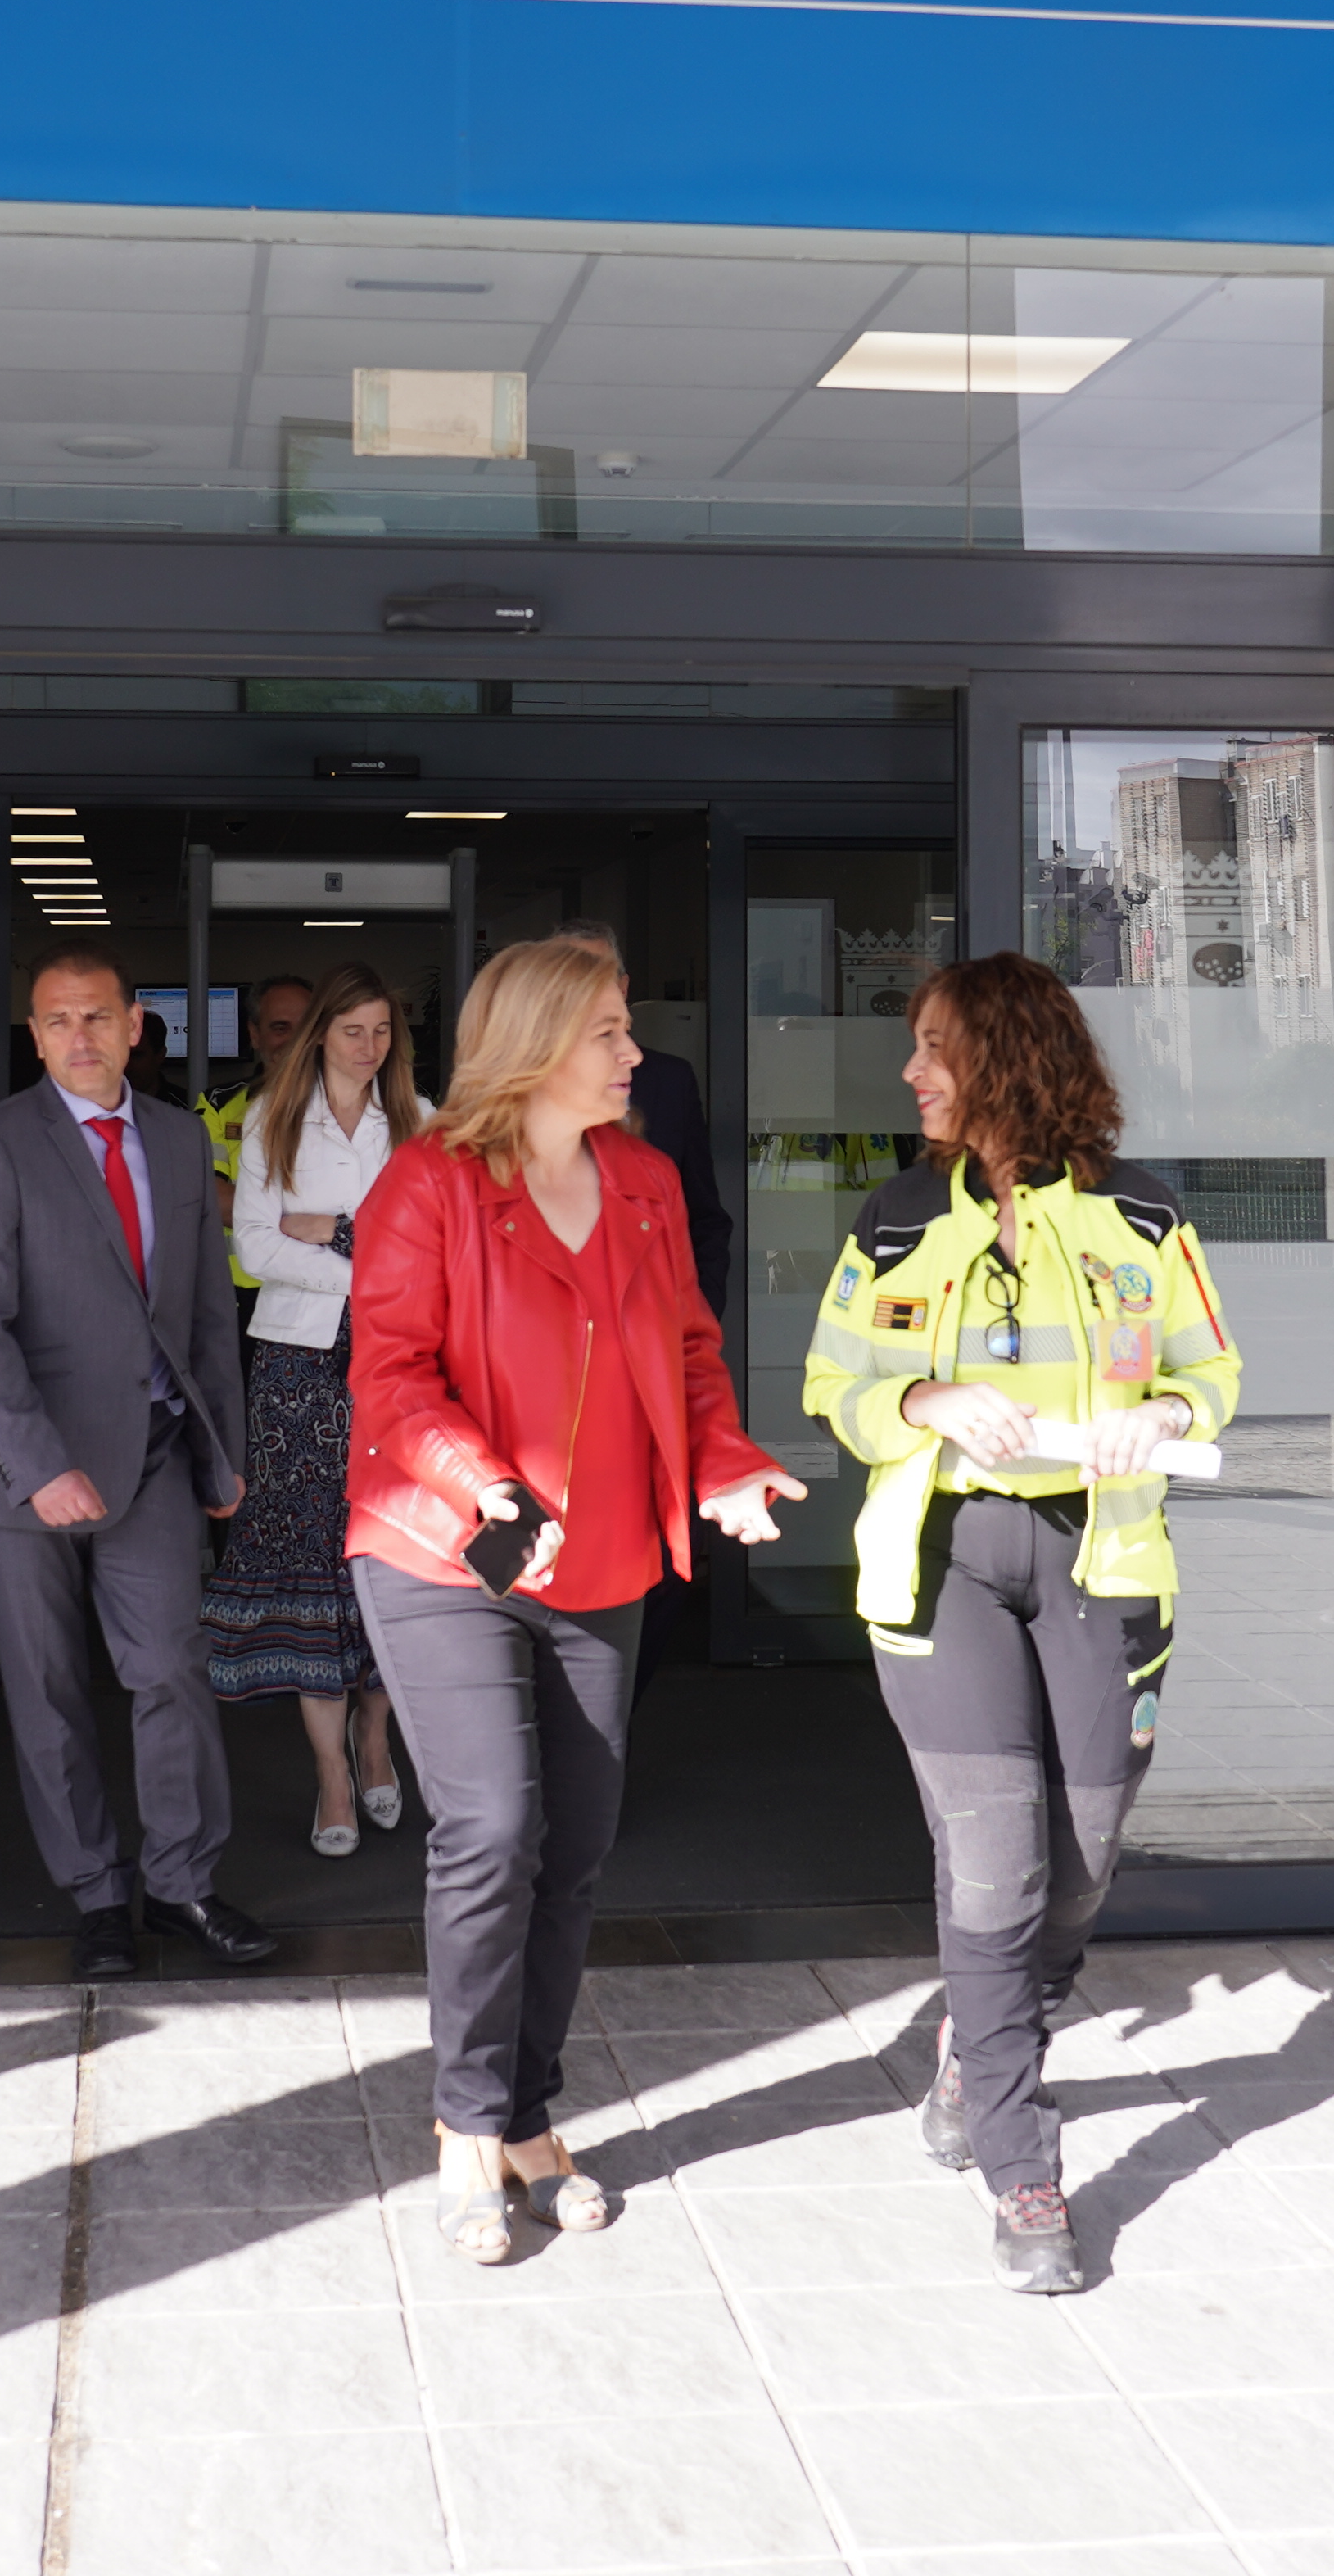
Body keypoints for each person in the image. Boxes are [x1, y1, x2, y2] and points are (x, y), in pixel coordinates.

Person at [346, 935, 802, 2262]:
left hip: (601, 1561)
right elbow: (389, 1375)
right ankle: (466, 2130)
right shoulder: (428, 1184)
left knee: (576, 1845)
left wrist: (724, 1467)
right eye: (608, 1030)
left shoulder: (648, 1182)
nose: (631, 1053)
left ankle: (527, 2116)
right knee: (493, 1827)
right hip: (444, 1554)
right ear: (538, 1042)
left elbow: (693, 1356)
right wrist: (481, 1483)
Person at [801, 952, 1240, 2295]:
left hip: (1105, 1562)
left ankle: (973, 2046)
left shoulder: (1144, 1218)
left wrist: (1167, 1414)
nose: (912, 1072)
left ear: (1009, 1060)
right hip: (943, 1566)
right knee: (992, 1869)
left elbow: (1208, 1370)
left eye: (937, 1048)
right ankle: (1022, 2167)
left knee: (1084, 1852)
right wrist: (925, 1402)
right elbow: (836, 1382)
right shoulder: (889, 1220)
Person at [0, 939, 280, 1981]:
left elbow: (207, 1310)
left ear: (138, 1025)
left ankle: (180, 1884)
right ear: (34, 1035)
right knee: (49, 1692)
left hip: (159, 1458)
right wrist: (40, 1462)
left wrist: (227, 1445)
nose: (78, 1037)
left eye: (97, 1017)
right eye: (56, 1021)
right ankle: (96, 1895)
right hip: (25, 1479)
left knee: (173, 1672)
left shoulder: (180, 1143)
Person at [214, 962, 414, 1854]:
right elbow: (255, 1248)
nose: (368, 1048)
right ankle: (331, 1772)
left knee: (385, 1554)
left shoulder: (420, 1123)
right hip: (296, 1358)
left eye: (381, 1032)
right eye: (352, 1031)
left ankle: (376, 1739)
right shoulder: (271, 1119)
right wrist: (365, 1258)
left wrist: (328, 1228)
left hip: (394, 1358)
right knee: (308, 1556)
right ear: (321, 1034)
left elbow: (437, 1247)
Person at [553, 919, 733, 1312]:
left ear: (624, 987)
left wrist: (696, 1328)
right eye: (573, 975)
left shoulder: (669, 1084)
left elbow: (704, 1219)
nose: (628, 1056)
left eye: (598, 976)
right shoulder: (463, 1159)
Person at [201, 971, 319, 1298]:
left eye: (306, 1027)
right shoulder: (217, 1106)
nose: (295, 1042)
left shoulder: (355, 1109)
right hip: (239, 1294)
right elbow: (212, 1197)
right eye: (280, 1028)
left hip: (322, 1294)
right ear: (255, 1034)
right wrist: (317, 1223)